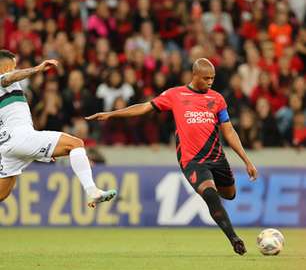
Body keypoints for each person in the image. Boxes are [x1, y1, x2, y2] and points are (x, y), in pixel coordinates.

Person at [86, 58, 258, 255]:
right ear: (194, 76)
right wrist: (111, 114)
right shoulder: (175, 95)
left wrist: (247, 160)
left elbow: (229, 131)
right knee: (211, 196)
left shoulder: (217, 99)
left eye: (213, 78)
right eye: (206, 78)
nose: (210, 82)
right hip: (191, 160)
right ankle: (234, 238)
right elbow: (144, 107)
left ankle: (218, 200)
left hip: (217, 158)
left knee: (230, 194)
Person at [0, 50, 116, 208]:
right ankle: (92, 191)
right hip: (20, 138)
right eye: (13, 66)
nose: (15, 68)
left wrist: (39, 149)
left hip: (8, 145)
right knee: (75, 144)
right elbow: (9, 78)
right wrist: (37, 69)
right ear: (5, 67)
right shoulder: (4, 78)